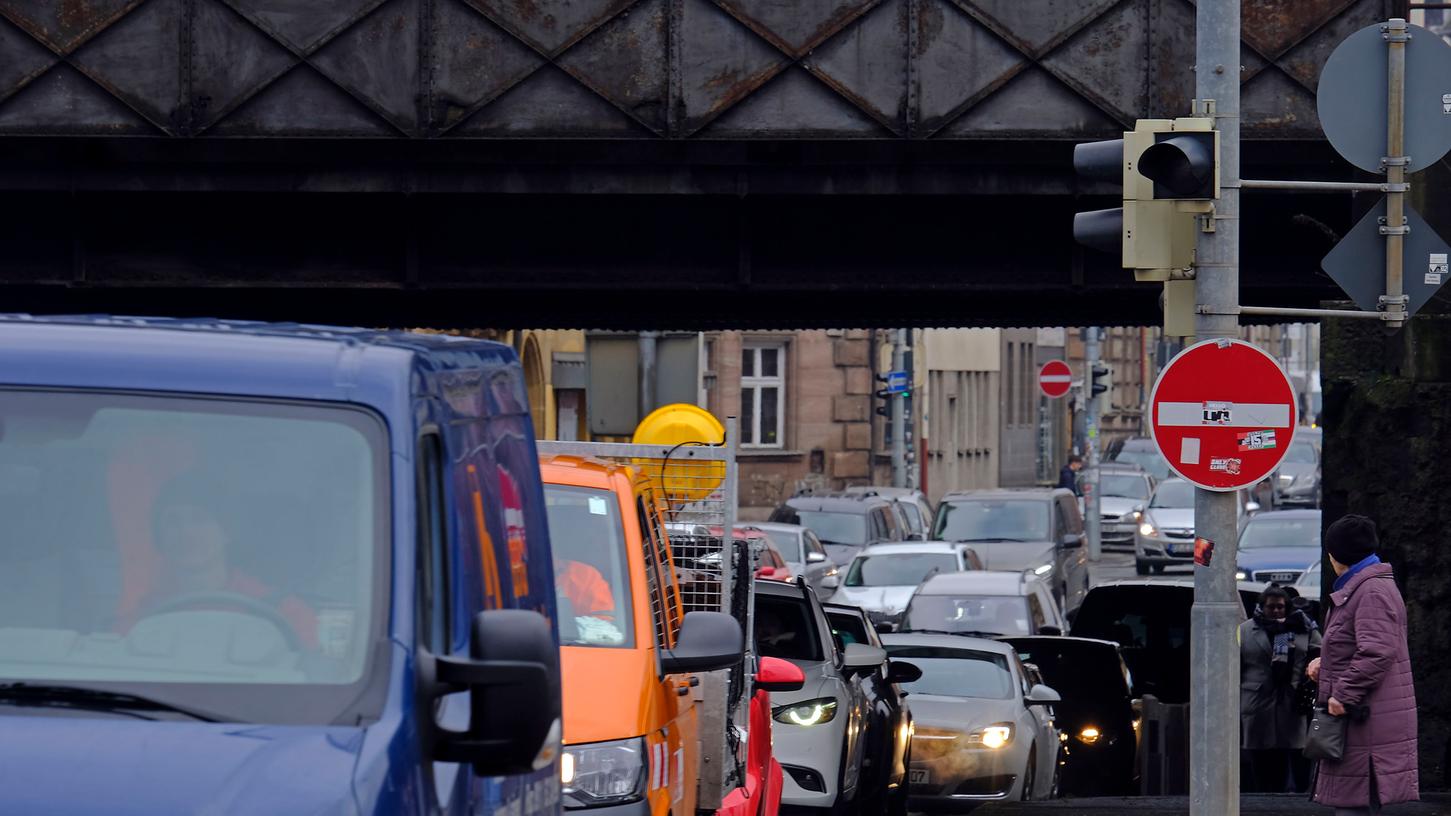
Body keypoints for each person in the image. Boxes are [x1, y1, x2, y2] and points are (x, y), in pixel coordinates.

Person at [1307, 515, 1418, 814]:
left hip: (1365, 721)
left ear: (1333, 554)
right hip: (1365, 719)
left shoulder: (1369, 591)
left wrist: (1342, 695)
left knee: (1353, 808)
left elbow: (1377, 651)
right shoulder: (1365, 586)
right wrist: (1326, 662)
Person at [136, 479, 319, 649]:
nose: (186, 532)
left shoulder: (287, 615)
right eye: (173, 521)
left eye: (200, 519)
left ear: (227, 532)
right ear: (160, 538)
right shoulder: (144, 615)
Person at [1240, 584, 1320, 792]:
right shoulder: (1246, 630)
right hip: (1258, 701)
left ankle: (1298, 795)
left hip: (1292, 701)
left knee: (1297, 751)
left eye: (1280, 607)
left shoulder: (1303, 627)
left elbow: (1320, 654)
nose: (1276, 611)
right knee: (1262, 755)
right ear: (1262, 607)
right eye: (1271, 607)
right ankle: (1265, 794)